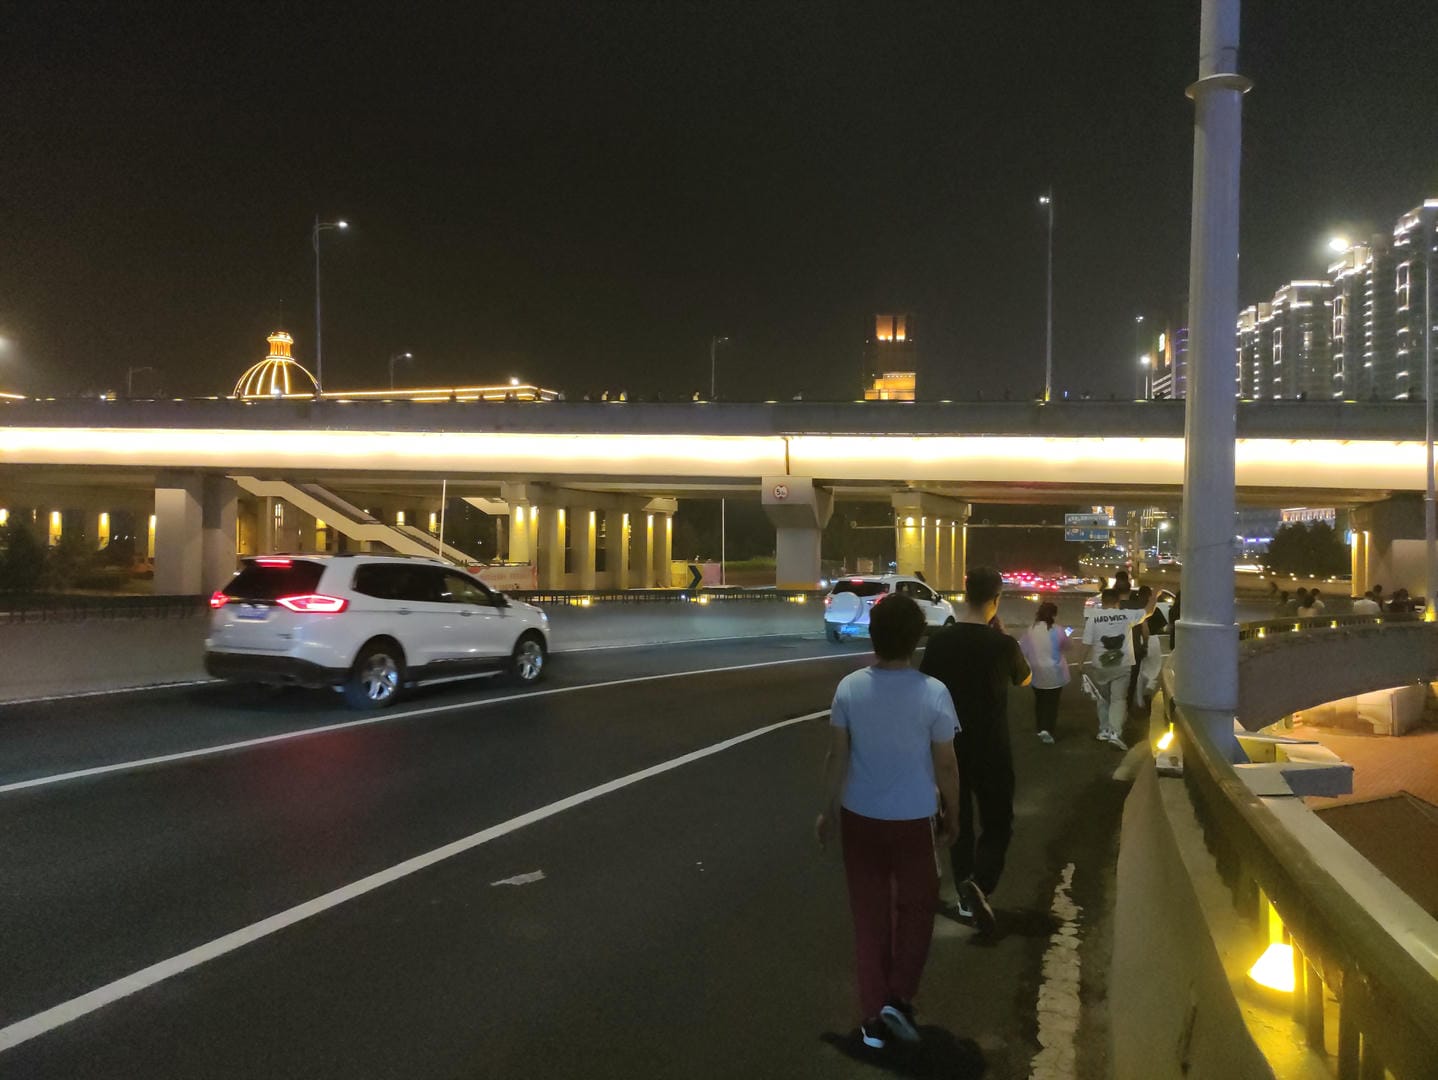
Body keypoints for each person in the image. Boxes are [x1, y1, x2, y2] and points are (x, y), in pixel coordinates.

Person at [816, 593, 961, 1051]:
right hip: (914, 818)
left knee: (869, 916)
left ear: (873, 635)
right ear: (917, 638)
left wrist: (828, 808)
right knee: (917, 911)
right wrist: (953, 814)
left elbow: (837, 755)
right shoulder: (933, 693)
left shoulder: (850, 688)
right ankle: (898, 996)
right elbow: (947, 766)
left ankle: (873, 1017)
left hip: (861, 818)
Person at [919, 566, 1031, 933]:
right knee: (998, 822)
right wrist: (1005, 636)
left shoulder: (939, 643)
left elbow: (924, 686)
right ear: (996, 599)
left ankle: (967, 890)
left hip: (948, 746)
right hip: (992, 748)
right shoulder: (1002, 645)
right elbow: (1025, 678)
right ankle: (980, 886)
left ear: (966, 594)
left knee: (958, 820)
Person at [1080, 586, 1157, 749]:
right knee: (1118, 699)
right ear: (1117, 602)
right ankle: (1115, 732)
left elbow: (1086, 643)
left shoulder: (1093, 618)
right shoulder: (1126, 615)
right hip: (1122, 665)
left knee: (1103, 699)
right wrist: (1155, 595)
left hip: (1100, 666)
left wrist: (1080, 663)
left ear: (1102, 602)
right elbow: (1149, 611)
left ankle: (1104, 730)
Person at [1018, 601, 1068, 744]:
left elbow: (1023, 650)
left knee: (1040, 701)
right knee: (1052, 703)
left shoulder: (1030, 630)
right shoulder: (1058, 630)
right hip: (1055, 673)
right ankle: (1048, 729)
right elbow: (1066, 645)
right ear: (1054, 615)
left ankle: (1040, 728)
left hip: (1037, 672)